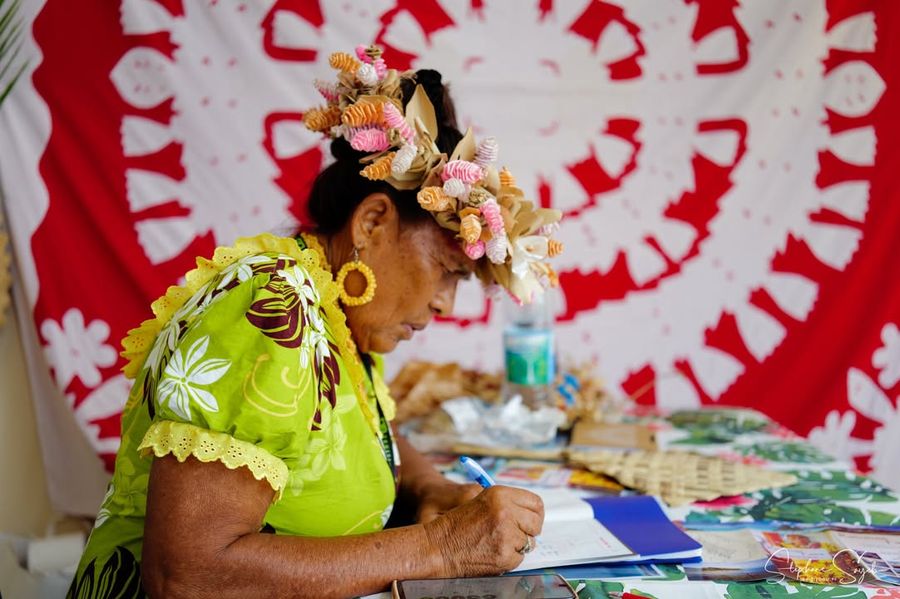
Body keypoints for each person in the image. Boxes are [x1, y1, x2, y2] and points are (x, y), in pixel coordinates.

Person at [68, 45, 563, 599]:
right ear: (372, 223)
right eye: (448, 270)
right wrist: (441, 546)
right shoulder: (268, 314)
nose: (446, 304)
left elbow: (356, 437)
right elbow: (189, 575)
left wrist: (428, 487)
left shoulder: (332, 316)